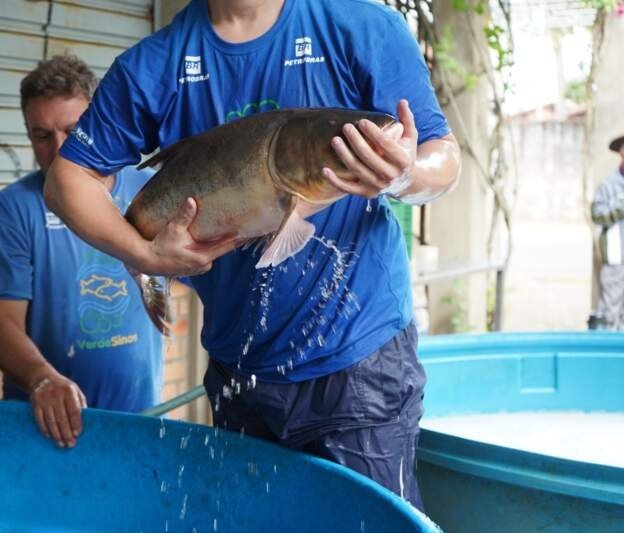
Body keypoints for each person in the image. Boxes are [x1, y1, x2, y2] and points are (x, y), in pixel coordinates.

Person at [45, 0, 460, 509]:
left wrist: (405, 174)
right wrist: (143, 253)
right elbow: (69, 178)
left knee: (370, 523)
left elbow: (440, 157)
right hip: (239, 371)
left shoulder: (359, 26)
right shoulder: (152, 64)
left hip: (360, 363)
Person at [0, 54, 163, 449]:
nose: (57, 148)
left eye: (72, 131)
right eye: (41, 135)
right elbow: (0, 324)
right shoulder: (11, 211)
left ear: (96, 121)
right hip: (49, 427)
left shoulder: (151, 189)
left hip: (144, 418)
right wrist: (43, 378)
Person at [590, 134, 624, 330]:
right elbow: (597, 214)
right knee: (610, 312)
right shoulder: (608, 185)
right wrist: (619, 209)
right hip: (615, 260)